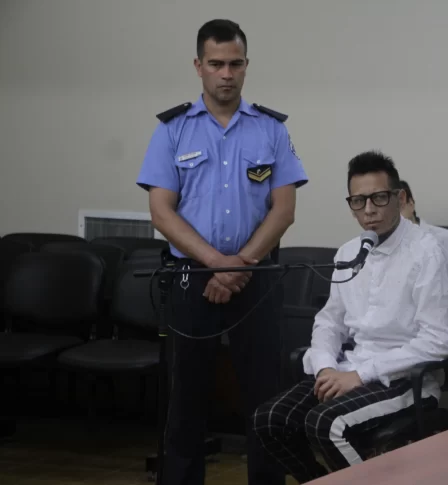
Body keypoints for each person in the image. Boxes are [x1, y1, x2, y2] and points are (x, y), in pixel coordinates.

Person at [136, 19, 308, 485]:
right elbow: (161, 212)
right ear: (199, 66)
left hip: (258, 278)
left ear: (246, 65)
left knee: (265, 398)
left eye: (235, 64)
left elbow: (284, 210)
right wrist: (218, 264)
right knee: (186, 398)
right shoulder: (172, 131)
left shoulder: (271, 130)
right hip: (192, 278)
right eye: (216, 64)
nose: (226, 74)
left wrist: (241, 265)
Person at [252, 151, 448, 483]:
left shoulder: (428, 253)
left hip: (405, 379)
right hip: (350, 367)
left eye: (379, 198)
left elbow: (437, 342)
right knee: (270, 419)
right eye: (358, 201)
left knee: (327, 424)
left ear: (399, 198)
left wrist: (361, 374)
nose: (369, 210)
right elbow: (329, 321)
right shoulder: (349, 252)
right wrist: (325, 367)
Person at [399, 180, 448, 293]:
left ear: (411, 204)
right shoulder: (386, 246)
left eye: (399, 208)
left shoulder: (445, 238)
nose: (395, 217)